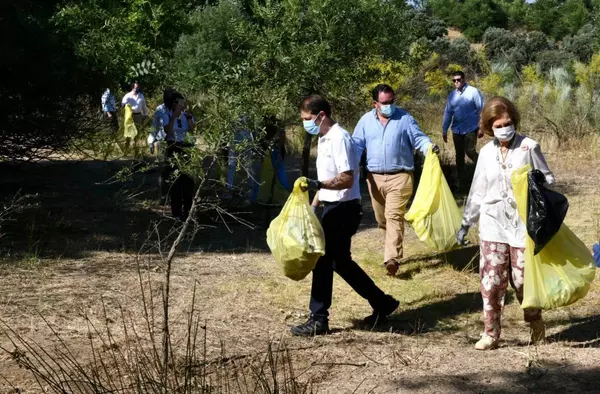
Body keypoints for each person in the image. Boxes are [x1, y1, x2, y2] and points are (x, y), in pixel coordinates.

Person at [291, 95, 399, 337]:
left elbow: (347, 178)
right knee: (341, 263)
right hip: (332, 206)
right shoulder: (324, 138)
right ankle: (382, 303)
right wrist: (313, 205)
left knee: (322, 259)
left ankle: (318, 318)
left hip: (343, 209)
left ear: (321, 115)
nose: (305, 124)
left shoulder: (340, 138)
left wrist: (316, 184)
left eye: (307, 119)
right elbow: (327, 179)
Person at [457, 96, 554, 350]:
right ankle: (490, 332)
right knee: (491, 282)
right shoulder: (486, 153)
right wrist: (467, 222)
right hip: (492, 224)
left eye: (507, 123)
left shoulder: (529, 147)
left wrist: (536, 182)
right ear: (489, 127)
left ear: (514, 120)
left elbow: (548, 178)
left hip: (522, 224)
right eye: (497, 125)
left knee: (522, 280)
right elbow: (478, 189)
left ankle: (535, 321)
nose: (504, 128)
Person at [353, 84, 438, 277]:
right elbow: (357, 145)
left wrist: (430, 148)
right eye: (384, 103)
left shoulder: (405, 119)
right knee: (382, 219)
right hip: (374, 179)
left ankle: (392, 258)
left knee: (394, 216)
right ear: (375, 103)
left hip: (400, 176)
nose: (389, 105)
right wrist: (351, 165)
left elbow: (419, 139)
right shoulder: (365, 121)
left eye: (391, 101)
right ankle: (390, 251)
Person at [442, 70, 485, 190]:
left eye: (459, 79)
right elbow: (448, 113)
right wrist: (444, 129)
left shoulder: (473, 92)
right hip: (457, 129)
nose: (456, 82)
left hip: (471, 127)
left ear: (464, 79)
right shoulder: (452, 95)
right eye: (454, 80)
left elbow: (482, 109)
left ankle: (484, 169)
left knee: (470, 151)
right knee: (459, 156)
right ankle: (463, 183)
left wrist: (482, 127)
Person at [161, 91, 196, 221]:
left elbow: (193, 130)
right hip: (173, 147)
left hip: (186, 147)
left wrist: (188, 118)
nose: (183, 105)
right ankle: (176, 212)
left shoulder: (187, 115)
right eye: (180, 102)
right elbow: (167, 131)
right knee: (175, 180)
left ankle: (187, 212)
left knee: (188, 180)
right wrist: (174, 117)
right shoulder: (167, 114)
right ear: (174, 103)